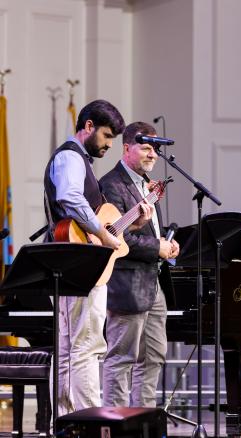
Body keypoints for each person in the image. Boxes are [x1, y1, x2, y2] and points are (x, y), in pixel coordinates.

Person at [43, 99, 153, 414]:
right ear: (88, 126)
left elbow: (91, 214)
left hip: (74, 262)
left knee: (70, 350)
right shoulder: (71, 156)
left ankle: (66, 421)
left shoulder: (78, 160)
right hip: (81, 263)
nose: (107, 145)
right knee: (88, 349)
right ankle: (89, 422)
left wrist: (132, 223)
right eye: (105, 136)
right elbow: (69, 198)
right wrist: (104, 234)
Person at [99, 121, 179, 407]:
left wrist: (166, 243)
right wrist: (158, 247)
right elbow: (115, 238)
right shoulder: (111, 185)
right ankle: (117, 426)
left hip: (152, 283)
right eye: (146, 148)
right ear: (127, 148)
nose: (153, 155)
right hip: (126, 285)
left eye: (155, 149)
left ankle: (142, 422)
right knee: (121, 359)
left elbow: (147, 232)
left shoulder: (146, 186)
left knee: (154, 357)